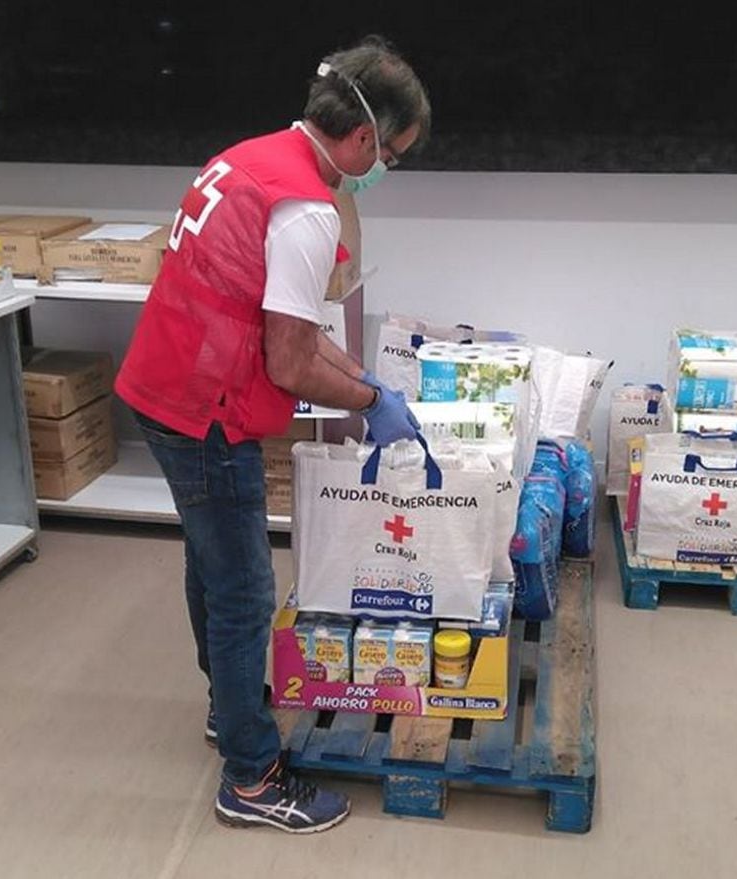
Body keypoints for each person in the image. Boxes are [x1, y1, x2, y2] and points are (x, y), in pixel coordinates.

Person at [114, 35, 431, 834]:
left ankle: (230, 710)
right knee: (245, 587)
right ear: (363, 139)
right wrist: (369, 401)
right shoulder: (306, 213)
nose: (387, 168)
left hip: (164, 380)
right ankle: (252, 778)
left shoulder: (253, 156)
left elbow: (281, 322)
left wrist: (362, 380)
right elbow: (288, 361)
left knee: (210, 560)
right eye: (393, 154)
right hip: (203, 407)